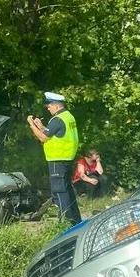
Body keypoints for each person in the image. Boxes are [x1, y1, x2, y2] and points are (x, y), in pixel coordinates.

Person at [27, 92, 82, 226]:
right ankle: (76, 220)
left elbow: (43, 138)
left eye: (49, 105)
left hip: (57, 159)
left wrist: (32, 125)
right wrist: (41, 126)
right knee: (67, 189)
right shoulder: (67, 116)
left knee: (60, 191)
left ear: (56, 106)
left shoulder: (57, 119)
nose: (48, 108)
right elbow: (53, 133)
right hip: (67, 158)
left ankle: (66, 222)